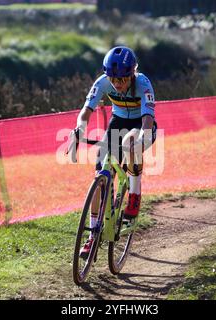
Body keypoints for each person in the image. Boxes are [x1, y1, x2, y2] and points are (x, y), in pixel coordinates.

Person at [72, 46, 157, 258]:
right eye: (113, 79)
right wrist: (79, 128)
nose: (117, 85)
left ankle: (134, 195)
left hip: (141, 124)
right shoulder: (102, 83)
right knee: (100, 174)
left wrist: (143, 136)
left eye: (122, 80)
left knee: (130, 143)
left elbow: (147, 117)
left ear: (132, 74)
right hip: (117, 123)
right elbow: (86, 110)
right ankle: (93, 236)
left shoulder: (143, 83)